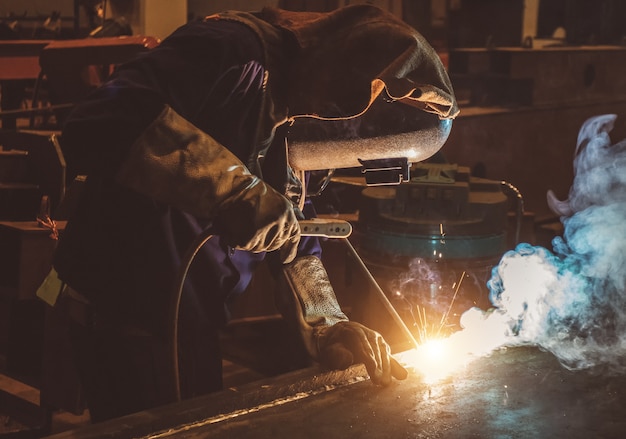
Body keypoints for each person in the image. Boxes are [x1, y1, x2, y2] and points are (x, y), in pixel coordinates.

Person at [51, 4, 458, 422]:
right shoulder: (229, 51)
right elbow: (101, 119)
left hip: (189, 330)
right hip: (127, 326)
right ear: (352, 93)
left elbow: (291, 217)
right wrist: (235, 192)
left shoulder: (293, 106)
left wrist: (327, 322)